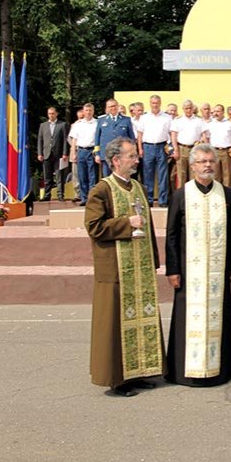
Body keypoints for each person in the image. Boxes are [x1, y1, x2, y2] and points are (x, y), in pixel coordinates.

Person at [84, 138, 164, 397]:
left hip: (139, 269)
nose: (137, 159)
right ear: (116, 160)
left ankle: (139, 371)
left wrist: (153, 260)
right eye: (132, 155)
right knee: (115, 324)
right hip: (116, 270)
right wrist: (126, 223)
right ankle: (116, 379)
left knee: (139, 320)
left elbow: (148, 227)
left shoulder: (138, 187)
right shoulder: (101, 189)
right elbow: (94, 227)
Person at [164, 144, 231, 386]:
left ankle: (220, 369)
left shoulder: (225, 194)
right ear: (193, 166)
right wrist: (173, 269)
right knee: (187, 317)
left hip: (218, 271)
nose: (207, 165)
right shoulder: (181, 195)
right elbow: (172, 234)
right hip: (189, 271)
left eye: (211, 161)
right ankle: (184, 371)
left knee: (219, 316)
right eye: (202, 161)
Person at [136, 94, 172, 207]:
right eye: (153, 103)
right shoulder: (144, 117)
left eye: (157, 103)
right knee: (148, 175)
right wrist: (140, 149)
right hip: (148, 147)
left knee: (163, 175)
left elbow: (171, 133)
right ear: (150, 103)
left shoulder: (167, 117)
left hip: (162, 147)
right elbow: (139, 134)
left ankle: (162, 200)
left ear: (160, 103)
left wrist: (170, 148)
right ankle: (149, 199)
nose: (155, 105)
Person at [170, 99, 206, 190]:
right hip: (182, 148)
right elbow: (173, 136)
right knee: (181, 174)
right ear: (183, 109)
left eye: (190, 108)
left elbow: (204, 135)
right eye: (186, 108)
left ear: (193, 108)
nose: (188, 110)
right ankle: (181, 196)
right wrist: (176, 150)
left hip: (195, 149)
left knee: (194, 172)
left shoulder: (199, 120)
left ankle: (194, 194)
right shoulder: (178, 120)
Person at [96, 99, 135, 179]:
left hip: (122, 153)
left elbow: (131, 138)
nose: (113, 108)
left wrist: (132, 152)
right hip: (106, 154)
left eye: (114, 106)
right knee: (107, 177)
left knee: (122, 176)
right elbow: (97, 138)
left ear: (117, 106)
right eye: (110, 106)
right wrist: (97, 154)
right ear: (107, 108)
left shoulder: (126, 120)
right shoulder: (101, 120)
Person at [69, 103, 98, 205]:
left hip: (92, 151)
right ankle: (84, 198)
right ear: (83, 111)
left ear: (93, 111)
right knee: (82, 176)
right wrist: (73, 153)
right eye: (86, 110)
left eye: (90, 110)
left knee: (92, 176)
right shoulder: (78, 124)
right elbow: (74, 140)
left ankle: (92, 198)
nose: (88, 112)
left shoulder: (97, 123)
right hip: (81, 150)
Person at [204, 104, 231, 190]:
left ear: (223, 112)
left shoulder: (230, 124)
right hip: (214, 151)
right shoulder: (210, 124)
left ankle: (227, 197)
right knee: (215, 175)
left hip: (227, 151)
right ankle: (216, 195)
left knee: (227, 175)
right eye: (215, 111)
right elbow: (206, 138)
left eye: (218, 111)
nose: (216, 113)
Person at [37, 107, 69, 200]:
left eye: (53, 113)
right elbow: (40, 140)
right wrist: (40, 153)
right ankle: (47, 195)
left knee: (59, 176)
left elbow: (65, 140)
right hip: (46, 153)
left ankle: (60, 195)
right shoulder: (43, 125)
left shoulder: (62, 125)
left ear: (56, 114)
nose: (51, 115)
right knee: (47, 176)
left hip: (58, 154)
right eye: (49, 113)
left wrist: (65, 153)